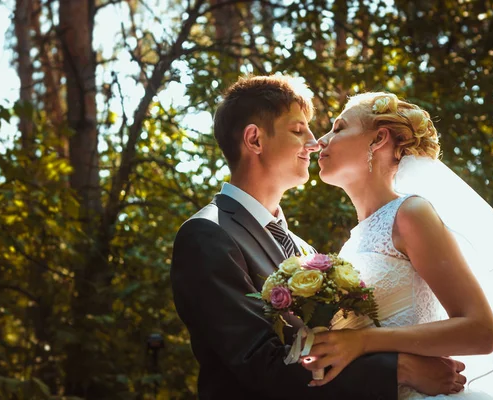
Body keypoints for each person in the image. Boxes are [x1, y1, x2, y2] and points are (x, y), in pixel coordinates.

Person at [170, 77, 468, 400]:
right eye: (298, 130)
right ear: (254, 139)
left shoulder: (304, 250)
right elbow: (262, 367)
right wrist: (400, 370)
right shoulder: (208, 235)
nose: (314, 143)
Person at [305, 92, 493, 400]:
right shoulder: (353, 243)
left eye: (338, 128)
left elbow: (480, 331)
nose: (321, 140)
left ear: (379, 138)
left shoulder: (410, 213)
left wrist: (364, 341)